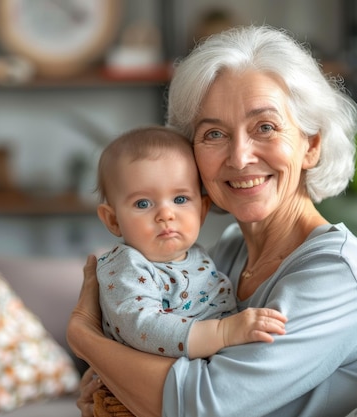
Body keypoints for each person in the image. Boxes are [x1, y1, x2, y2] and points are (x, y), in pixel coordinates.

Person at [67, 25, 357, 417]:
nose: (239, 158)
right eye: (214, 133)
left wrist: (85, 339)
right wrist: (113, 381)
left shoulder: (336, 275)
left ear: (311, 144)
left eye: (266, 127)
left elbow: (201, 405)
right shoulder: (229, 250)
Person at [94, 126, 287, 360]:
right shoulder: (127, 266)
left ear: (202, 211)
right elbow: (142, 326)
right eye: (143, 204)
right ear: (113, 220)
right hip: (142, 387)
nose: (166, 214)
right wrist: (224, 332)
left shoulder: (199, 255)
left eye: (180, 199)